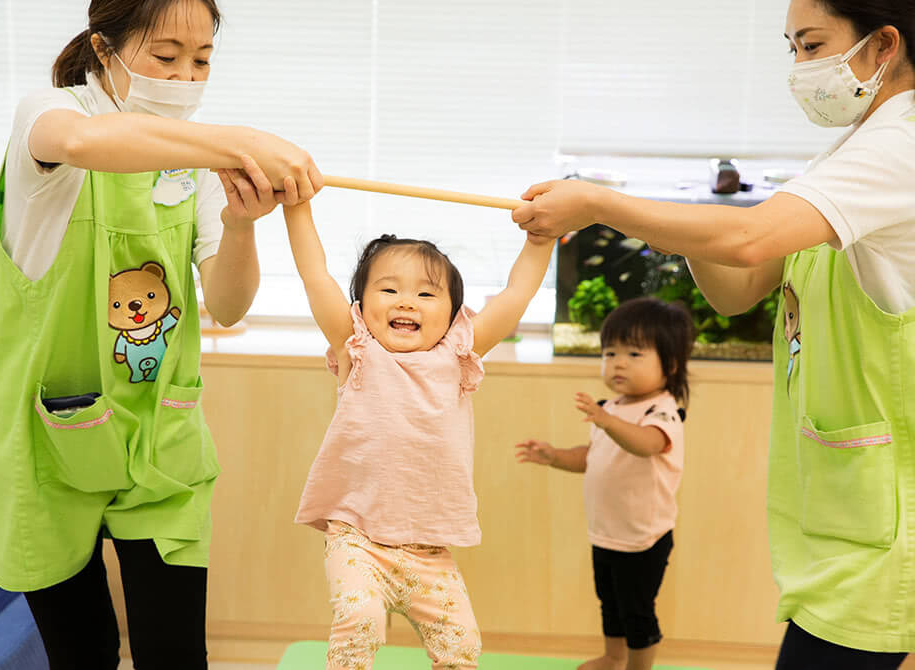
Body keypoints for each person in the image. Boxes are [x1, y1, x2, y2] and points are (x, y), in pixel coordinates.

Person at [511, 0, 915, 666]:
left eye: (812, 45)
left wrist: (600, 203)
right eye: (791, 48)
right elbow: (738, 289)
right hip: (843, 505)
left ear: (883, 45)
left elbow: (750, 240)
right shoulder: (846, 153)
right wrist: (677, 227)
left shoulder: (900, 146)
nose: (799, 68)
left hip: (885, 511)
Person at [0, 1, 322, 668]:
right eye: (166, 57)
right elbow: (82, 144)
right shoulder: (49, 113)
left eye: (202, 61)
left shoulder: (196, 163)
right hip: (48, 441)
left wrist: (241, 224)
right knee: (84, 652)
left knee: (175, 652)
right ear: (104, 49)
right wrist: (240, 140)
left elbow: (228, 304)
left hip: (159, 439)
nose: (185, 79)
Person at [282, 196, 554, 669]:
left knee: (462, 646)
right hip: (357, 538)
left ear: (453, 315)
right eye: (389, 290)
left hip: (428, 551)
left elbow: (515, 297)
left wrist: (541, 241)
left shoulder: (457, 356)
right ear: (361, 306)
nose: (406, 301)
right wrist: (297, 208)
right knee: (360, 621)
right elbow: (315, 276)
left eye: (427, 295)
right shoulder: (357, 349)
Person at [515, 298, 694, 670]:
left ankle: (637, 667)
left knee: (637, 610)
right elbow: (593, 457)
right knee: (610, 602)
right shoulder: (610, 408)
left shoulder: (661, 411)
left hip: (643, 538)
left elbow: (646, 444)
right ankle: (613, 657)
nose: (618, 363)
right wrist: (554, 456)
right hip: (606, 532)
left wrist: (607, 421)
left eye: (634, 353)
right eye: (610, 353)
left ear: (671, 364)